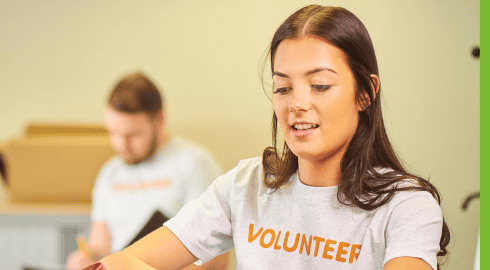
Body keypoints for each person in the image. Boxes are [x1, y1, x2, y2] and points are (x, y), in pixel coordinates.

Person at [82, 5, 450, 270]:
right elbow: (121, 261)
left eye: (320, 85)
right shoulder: (245, 186)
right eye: (282, 88)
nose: (297, 105)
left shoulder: (407, 206)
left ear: (365, 93)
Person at [66, 72, 229, 270]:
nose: (120, 145)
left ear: (159, 120)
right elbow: (99, 247)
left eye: (132, 135)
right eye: (113, 133)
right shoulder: (109, 173)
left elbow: (216, 258)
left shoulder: (194, 164)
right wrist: (84, 260)